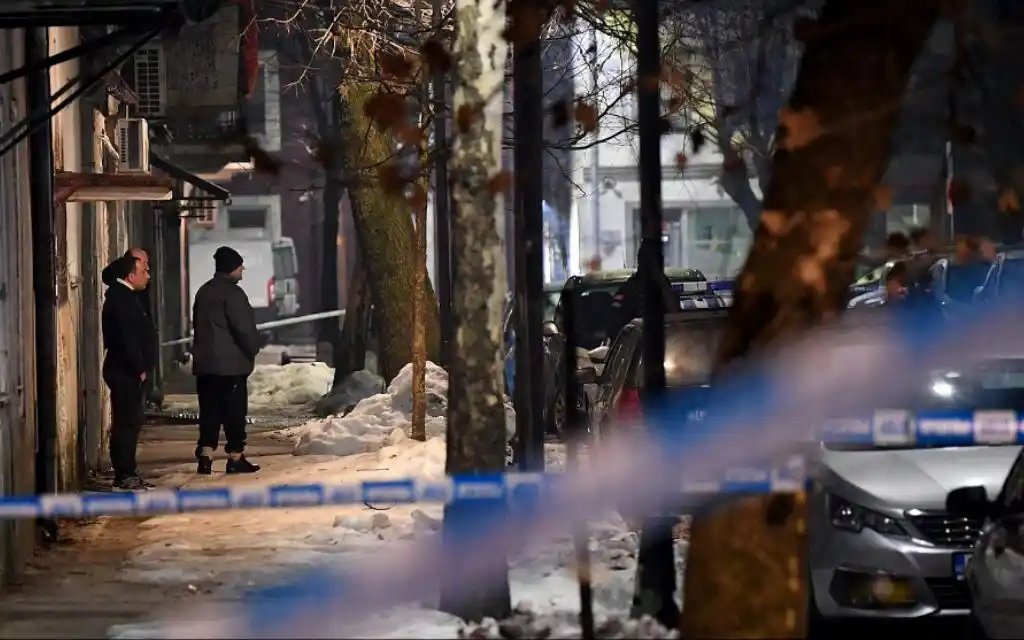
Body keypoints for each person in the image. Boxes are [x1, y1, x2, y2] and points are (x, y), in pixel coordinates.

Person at [191, 246, 261, 475]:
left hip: (206, 366)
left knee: (209, 412)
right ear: (231, 268)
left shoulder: (204, 292)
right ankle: (235, 457)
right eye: (240, 266)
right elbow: (243, 329)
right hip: (230, 367)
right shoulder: (233, 294)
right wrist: (252, 349)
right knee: (234, 413)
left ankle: (205, 455)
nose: (242, 270)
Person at [101, 254, 156, 491]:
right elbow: (127, 339)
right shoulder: (121, 299)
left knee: (131, 424)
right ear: (131, 275)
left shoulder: (126, 297)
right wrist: (139, 369)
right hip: (125, 372)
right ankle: (124, 476)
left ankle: (129, 472)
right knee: (126, 424)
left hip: (126, 371)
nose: (148, 276)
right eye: (144, 272)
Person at [608, 243, 680, 339]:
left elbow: (674, 317)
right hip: (636, 341)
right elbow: (617, 323)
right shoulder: (630, 287)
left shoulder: (664, 285)